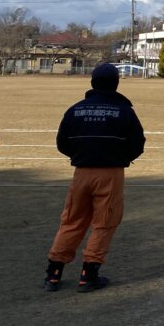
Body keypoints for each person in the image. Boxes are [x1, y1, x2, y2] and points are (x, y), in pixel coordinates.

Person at [43, 63, 145, 292]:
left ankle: (53, 273)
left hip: (81, 172)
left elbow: (62, 143)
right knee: (104, 223)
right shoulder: (124, 110)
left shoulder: (75, 109)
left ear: (92, 82)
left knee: (72, 221)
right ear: (116, 84)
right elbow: (137, 143)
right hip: (110, 173)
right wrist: (120, 157)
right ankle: (89, 274)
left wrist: (81, 156)